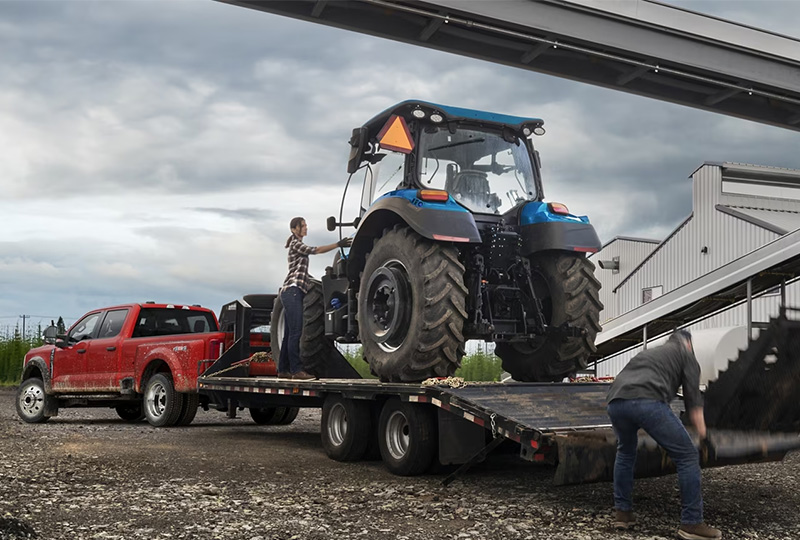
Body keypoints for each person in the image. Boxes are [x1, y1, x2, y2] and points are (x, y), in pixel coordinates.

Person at [606, 330, 722, 540]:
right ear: (688, 344)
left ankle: (623, 514)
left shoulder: (649, 353)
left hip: (616, 401)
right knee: (687, 456)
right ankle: (692, 523)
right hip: (647, 401)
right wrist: (704, 436)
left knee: (625, 452)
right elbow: (693, 400)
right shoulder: (687, 356)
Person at [278, 216, 351, 380]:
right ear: (294, 229)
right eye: (302, 226)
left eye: (305, 225)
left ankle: (283, 370)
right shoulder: (296, 244)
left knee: (289, 333)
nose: (306, 228)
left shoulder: (296, 244)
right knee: (296, 332)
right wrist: (338, 245)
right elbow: (316, 250)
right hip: (293, 290)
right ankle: (296, 370)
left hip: (294, 291)